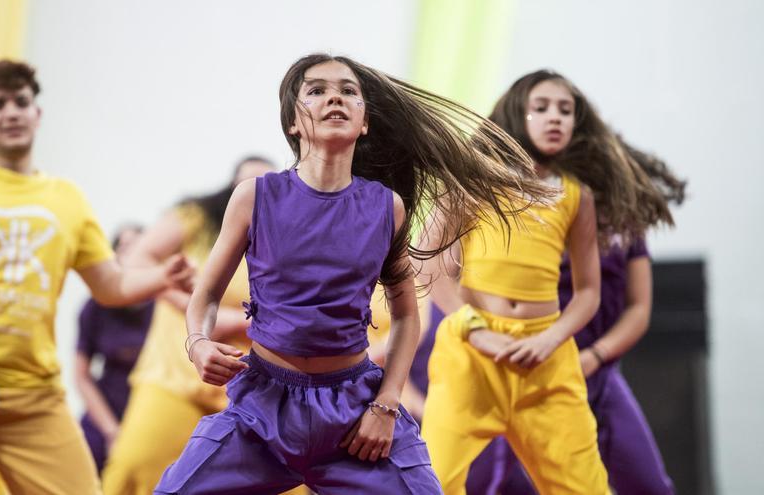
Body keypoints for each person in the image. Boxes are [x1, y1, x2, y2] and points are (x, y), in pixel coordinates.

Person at [154, 53, 554, 495]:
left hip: (355, 416)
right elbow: (206, 295)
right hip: (262, 411)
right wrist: (198, 343)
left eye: (349, 92)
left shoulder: (387, 207)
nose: (334, 99)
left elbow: (405, 317)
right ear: (293, 122)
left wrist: (385, 406)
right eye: (317, 90)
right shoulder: (255, 197)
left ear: (364, 123)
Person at [0, 60, 191, 495]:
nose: (11, 112)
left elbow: (111, 286)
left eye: (21, 101)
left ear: (37, 113)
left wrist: (163, 276)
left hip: (32, 400)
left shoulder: (68, 200)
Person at [464, 70, 684, 495]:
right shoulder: (511, 209)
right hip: (524, 371)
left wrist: (595, 357)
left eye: (565, 113)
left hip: (597, 374)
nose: (555, 122)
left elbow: (639, 307)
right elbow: (463, 283)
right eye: (543, 111)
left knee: (650, 485)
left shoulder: (617, 219)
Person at [102, 156, 277, 495]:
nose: (255, 195)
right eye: (244, 186)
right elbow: (136, 262)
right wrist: (205, 314)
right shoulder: (196, 218)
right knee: (135, 466)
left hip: (250, 391)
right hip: (175, 377)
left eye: (267, 187)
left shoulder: (288, 242)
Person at [76, 223, 155, 473]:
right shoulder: (95, 307)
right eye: (124, 247)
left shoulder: (166, 306)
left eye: (139, 247)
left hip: (151, 416)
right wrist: (112, 432)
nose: (131, 254)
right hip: (105, 414)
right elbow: (81, 375)